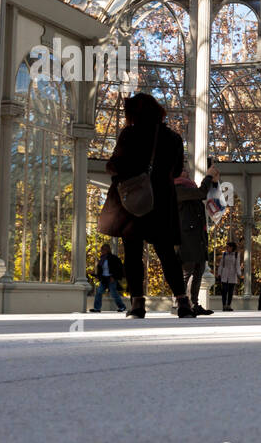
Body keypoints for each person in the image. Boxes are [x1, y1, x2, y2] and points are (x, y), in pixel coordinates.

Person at [106, 92, 192, 319]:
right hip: (162, 203)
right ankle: (182, 301)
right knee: (167, 254)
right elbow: (175, 171)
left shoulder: (129, 134)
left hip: (133, 203)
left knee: (133, 254)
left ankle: (137, 304)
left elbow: (115, 165)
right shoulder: (173, 139)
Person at [173, 162, 219, 317]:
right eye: (183, 170)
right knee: (187, 271)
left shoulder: (190, 187)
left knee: (198, 270)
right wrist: (208, 176)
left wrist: (213, 181)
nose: (186, 171)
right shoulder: (177, 188)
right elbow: (201, 193)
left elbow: (203, 193)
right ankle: (178, 303)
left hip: (198, 235)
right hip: (186, 237)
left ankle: (194, 304)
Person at [90, 243, 126, 313]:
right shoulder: (102, 259)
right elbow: (100, 271)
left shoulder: (114, 258)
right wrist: (94, 275)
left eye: (103, 250)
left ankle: (122, 307)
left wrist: (114, 277)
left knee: (114, 293)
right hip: (104, 278)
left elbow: (118, 269)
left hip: (111, 278)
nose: (101, 251)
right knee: (99, 292)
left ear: (107, 250)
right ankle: (97, 308)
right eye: (101, 250)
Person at [216, 241, 240, 311]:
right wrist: (219, 273)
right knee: (224, 291)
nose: (227, 248)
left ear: (232, 247)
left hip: (232, 275)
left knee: (230, 291)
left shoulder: (236, 255)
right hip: (224, 274)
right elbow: (221, 264)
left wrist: (239, 273)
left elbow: (237, 265)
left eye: (228, 247)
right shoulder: (224, 254)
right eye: (227, 247)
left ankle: (229, 305)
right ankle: (224, 306)